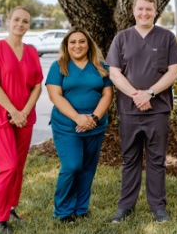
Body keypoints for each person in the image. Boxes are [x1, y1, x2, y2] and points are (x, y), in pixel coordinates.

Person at [106, 0, 177, 223]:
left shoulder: (166, 37)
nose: (144, 13)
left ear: (155, 11)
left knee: (157, 160)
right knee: (130, 159)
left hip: (158, 110)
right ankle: (125, 207)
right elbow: (114, 73)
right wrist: (136, 95)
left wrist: (149, 93)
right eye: (140, 9)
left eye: (149, 9)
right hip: (129, 110)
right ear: (133, 11)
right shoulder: (122, 38)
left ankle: (158, 207)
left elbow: (174, 71)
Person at [0, 6, 43, 234]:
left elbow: (37, 86)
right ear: (8, 21)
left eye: (25, 21)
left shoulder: (32, 52)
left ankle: (12, 207)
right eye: (16, 20)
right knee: (8, 166)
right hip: (1, 115)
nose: (20, 25)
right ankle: (0, 218)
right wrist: (13, 112)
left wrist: (24, 111)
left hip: (25, 116)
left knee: (19, 167)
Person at [45, 26, 113, 223]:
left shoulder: (100, 66)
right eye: (72, 42)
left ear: (88, 44)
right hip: (67, 126)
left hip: (95, 125)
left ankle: (81, 209)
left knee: (88, 168)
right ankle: (63, 211)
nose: (77, 45)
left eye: (81, 41)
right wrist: (78, 118)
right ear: (66, 46)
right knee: (72, 165)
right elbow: (54, 95)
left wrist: (94, 118)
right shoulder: (59, 66)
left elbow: (107, 94)